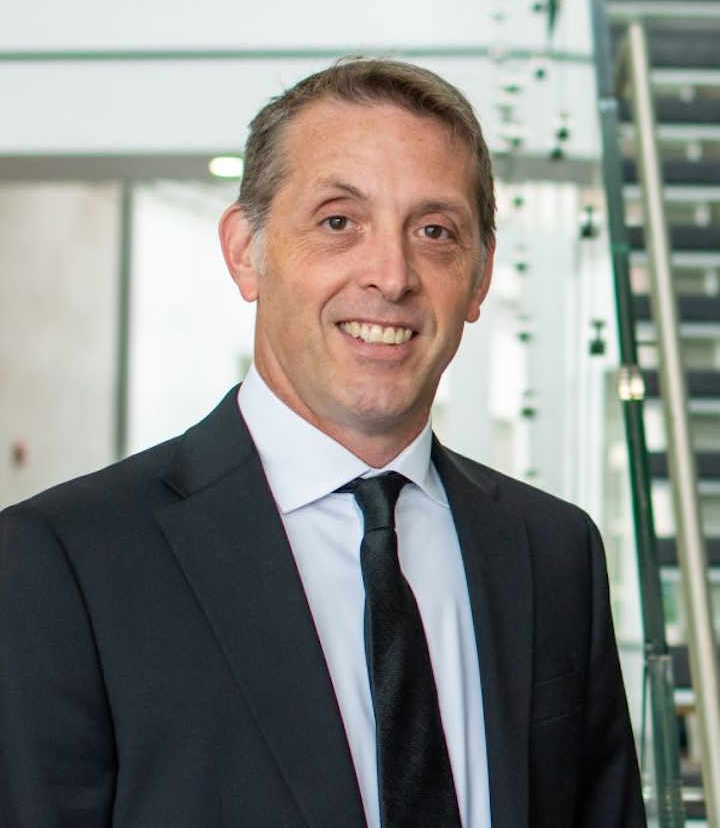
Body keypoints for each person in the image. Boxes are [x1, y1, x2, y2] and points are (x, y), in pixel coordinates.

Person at [0, 58, 646, 827]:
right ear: (247, 251)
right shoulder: (64, 561)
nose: (392, 274)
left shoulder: (555, 552)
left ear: (478, 279)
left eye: (435, 231)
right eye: (339, 221)